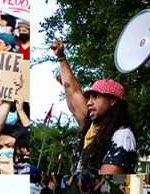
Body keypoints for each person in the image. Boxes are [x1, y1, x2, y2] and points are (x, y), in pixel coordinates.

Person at [51, 41, 137, 174]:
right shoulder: (93, 129)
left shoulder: (122, 136)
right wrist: (61, 57)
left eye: (95, 97)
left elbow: (106, 178)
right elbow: (73, 96)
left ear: (113, 101)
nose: (89, 102)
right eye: (89, 98)